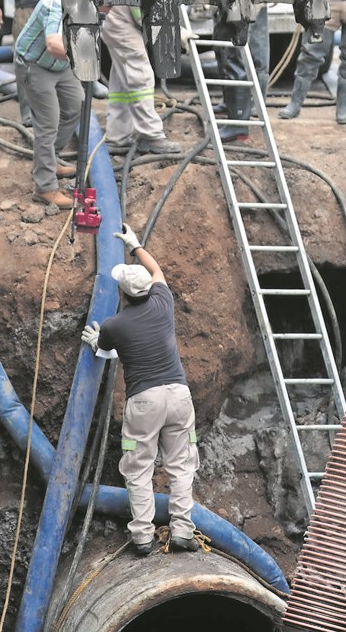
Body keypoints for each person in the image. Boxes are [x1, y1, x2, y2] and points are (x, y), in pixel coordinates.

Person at [81, 224, 200, 556]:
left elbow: (104, 350)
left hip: (144, 402)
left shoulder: (114, 325)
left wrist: (95, 340)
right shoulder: (163, 300)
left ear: (122, 294)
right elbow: (156, 269)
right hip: (178, 395)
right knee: (181, 465)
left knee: (139, 469)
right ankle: (182, 532)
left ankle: (143, 538)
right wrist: (135, 245)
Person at [14, 0, 82, 210]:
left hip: (62, 65)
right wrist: (84, 56)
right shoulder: (57, 3)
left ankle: (50, 160)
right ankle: (44, 187)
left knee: (75, 105)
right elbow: (53, 44)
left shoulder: (94, 3)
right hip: (36, 64)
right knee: (48, 123)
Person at [100, 6, 181, 155]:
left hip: (117, 20)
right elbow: (140, 9)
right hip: (121, 22)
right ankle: (151, 136)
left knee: (121, 82)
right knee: (141, 78)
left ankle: (117, 137)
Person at [213, 5, 270, 142]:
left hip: (242, 0)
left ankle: (238, 123)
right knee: (224, 48)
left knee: (234, 56)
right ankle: (230, 105)